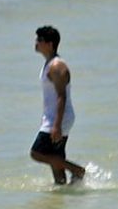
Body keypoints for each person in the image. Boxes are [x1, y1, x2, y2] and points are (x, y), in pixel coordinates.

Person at [31, 25, 87, 185]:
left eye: (39, 40)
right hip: (54, 117)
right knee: (55, 159)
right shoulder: (49, 64)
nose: (36, 42)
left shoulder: (57, 66)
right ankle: (63, 192)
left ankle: (77, 170)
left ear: (49, 44)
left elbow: (61, 96)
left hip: (58, 118)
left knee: (37, 153)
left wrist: (56, 125)